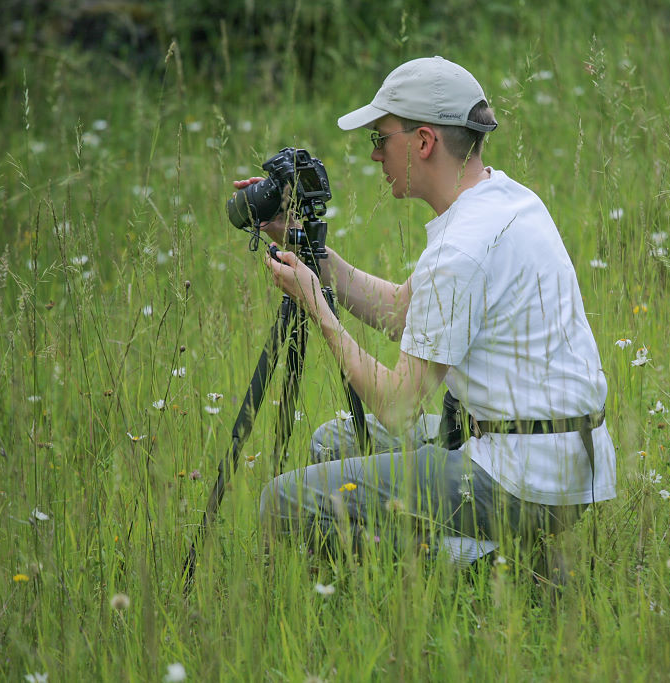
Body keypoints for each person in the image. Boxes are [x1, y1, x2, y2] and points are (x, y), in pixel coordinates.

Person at [248, 56, 616, 566]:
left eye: (381, 139)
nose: (376, 155)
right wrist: (310, 252)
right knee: (334, 444)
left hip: (521, 479)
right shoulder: (509, 200)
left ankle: (478, 568)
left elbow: (398, 409)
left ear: (423, 142)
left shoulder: (460, 250)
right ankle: (485, 552)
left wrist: (317, 306)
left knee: (282, 502)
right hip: (564, 463)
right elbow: (405, 310)